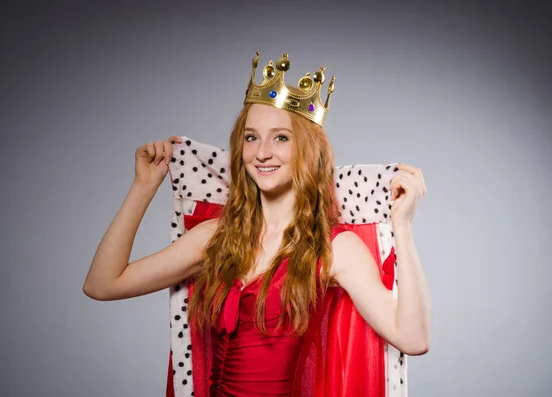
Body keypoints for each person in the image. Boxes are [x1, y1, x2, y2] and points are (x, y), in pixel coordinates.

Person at [83, 51, 431, 397]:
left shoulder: (334, 248)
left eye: (280, 137)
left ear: (307, 150)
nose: (262, 152)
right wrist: (144, 186)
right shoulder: (217, 238)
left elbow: (413, 338)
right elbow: (103, 284)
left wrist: (402, 227)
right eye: (251, 137)